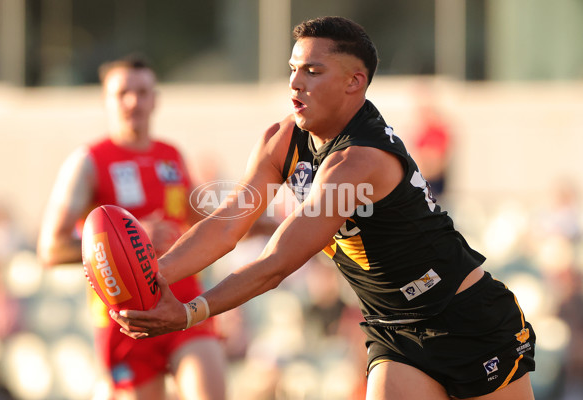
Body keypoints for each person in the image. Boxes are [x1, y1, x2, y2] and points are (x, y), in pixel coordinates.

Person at [111, 17, 536, 400]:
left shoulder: (358, 161)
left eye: (313, 71)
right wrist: (151, 277)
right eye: (293, 69)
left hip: (468, 320)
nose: (296, 83)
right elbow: (225, 227)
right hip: (394, 331)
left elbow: (276, 263)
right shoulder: (280, 140)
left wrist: (188, 312)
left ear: (355, 82)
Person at [36, 55, 226, 400]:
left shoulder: (171, 155)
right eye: (123, 92)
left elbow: (207, 224)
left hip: (183, 304)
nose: (133, 101)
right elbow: (50, 249)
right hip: (126, 320)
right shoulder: (89, 161)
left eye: (142, 91)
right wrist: (129, 243)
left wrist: (280, 223)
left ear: (155, 99)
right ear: (105, 100)